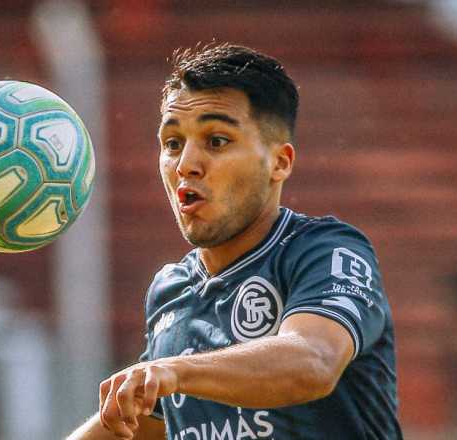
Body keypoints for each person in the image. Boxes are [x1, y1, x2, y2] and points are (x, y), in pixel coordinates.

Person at [69, 44, 401, 439]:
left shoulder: (323, 251)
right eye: (173, 143)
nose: (186, 164)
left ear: (279, 162)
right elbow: (143, 421)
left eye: (217, 141)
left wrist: (173, 370)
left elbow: (314, 361)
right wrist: (156, 379)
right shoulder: (170, 291)